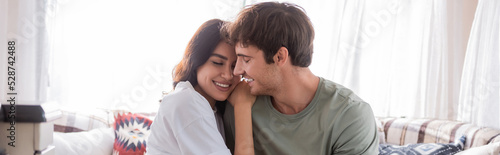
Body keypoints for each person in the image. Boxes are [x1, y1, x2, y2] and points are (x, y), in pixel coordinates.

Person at [223, 2, 379, 154]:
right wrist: (242, 108)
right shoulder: (241, 102)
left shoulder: (350, 116)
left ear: (280, 57)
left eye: (246, 59)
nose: (237, 71)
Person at [147, 19, 255, 155]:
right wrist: (242, 106)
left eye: (234, 66)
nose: (228, 75)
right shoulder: (186, 102)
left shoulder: (212, 109)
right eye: (217, 62)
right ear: (196, 62)